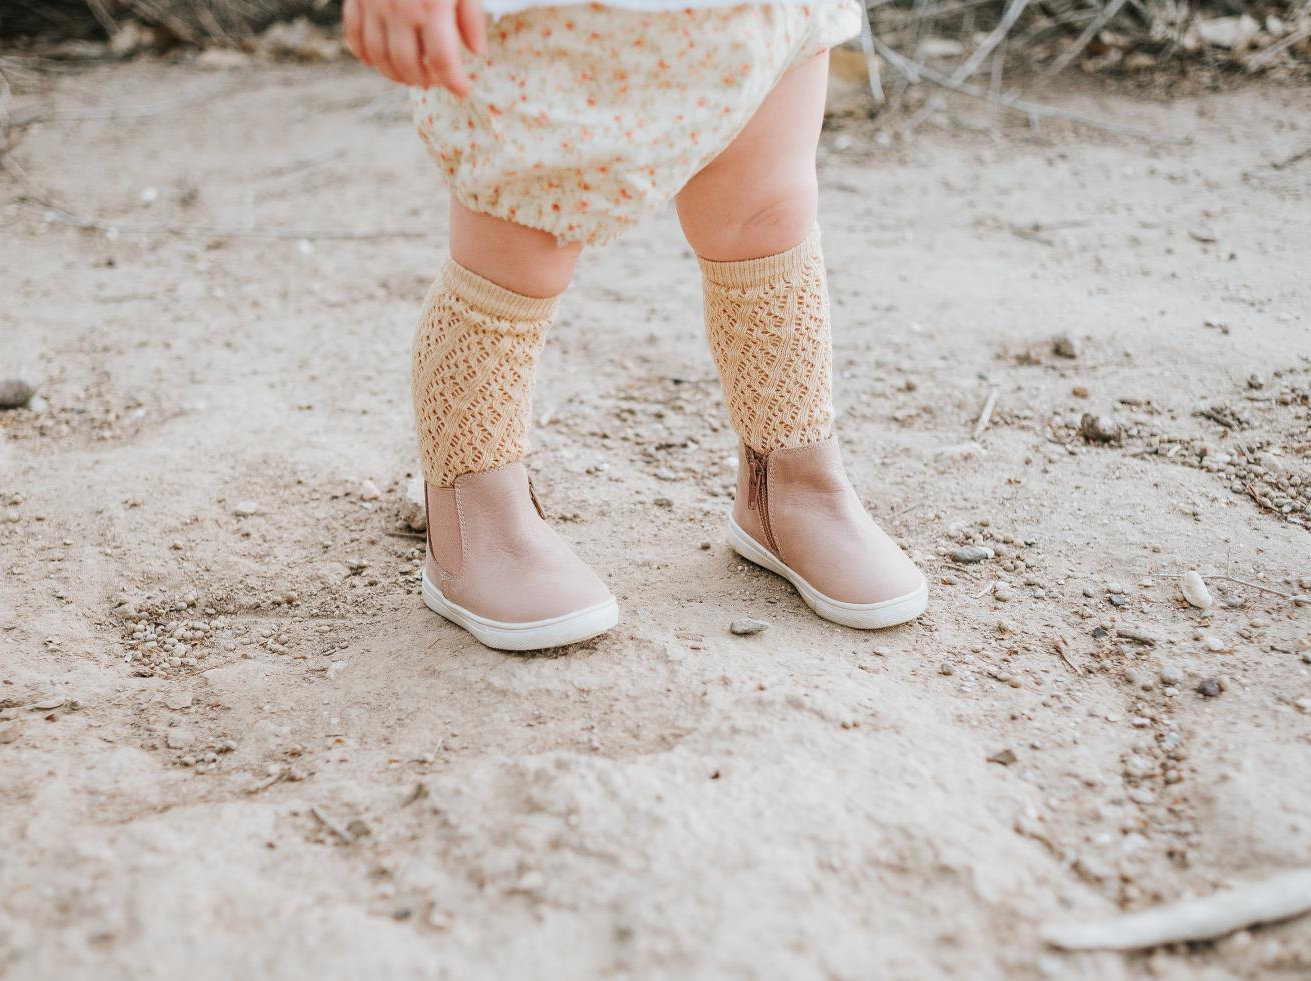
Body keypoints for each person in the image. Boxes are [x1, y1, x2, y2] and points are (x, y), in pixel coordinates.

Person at [343, 0, 927, 650]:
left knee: (767, 215)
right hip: (551, 27)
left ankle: (793, 484)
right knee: (516, 249)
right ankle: (474, 524)